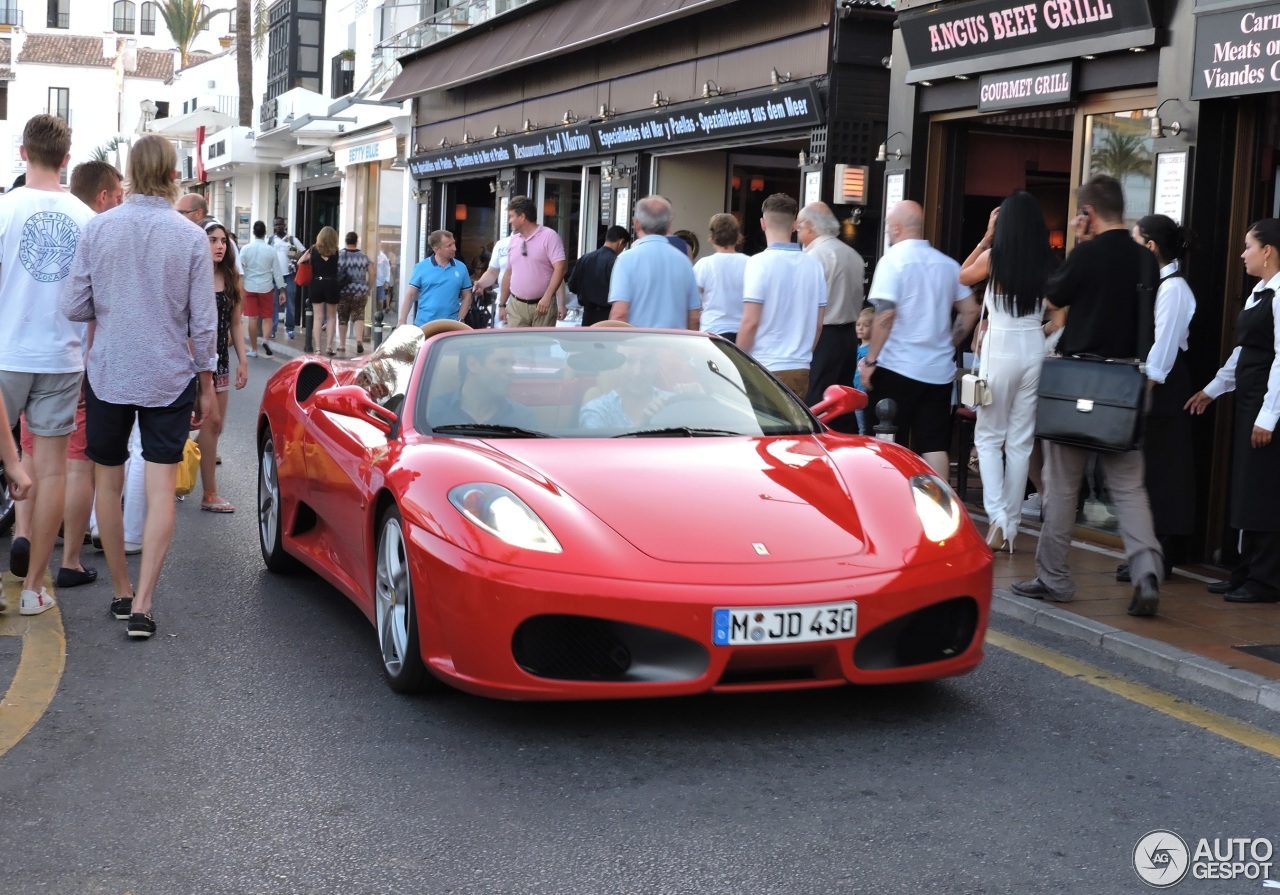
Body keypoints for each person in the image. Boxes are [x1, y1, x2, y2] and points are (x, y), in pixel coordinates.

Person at [61, 133, 217, 639]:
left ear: (129, 172)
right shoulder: (191, 237)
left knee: (107, 483)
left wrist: (113, 304)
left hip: (108, 372)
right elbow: (204, 321)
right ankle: (146, 604)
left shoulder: (99, 229)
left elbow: (74, 305)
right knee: (159, 489)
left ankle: (121, 592)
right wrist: (207, 383)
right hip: (169, 375)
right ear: (173, 174)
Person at [1011, 175, 1163, 617]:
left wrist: (1076, 246)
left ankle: (1054, 578)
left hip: (1078, 385)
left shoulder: (1087, 253)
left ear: (1089, 214)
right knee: (1130, 489)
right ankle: (1147, 571)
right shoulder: (1145, 260)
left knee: (1061, 487)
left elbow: (1054, 293)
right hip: (1125, 389)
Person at [0, 114, 95, 615]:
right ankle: (36, 586)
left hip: (7, 353)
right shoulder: (86, 218)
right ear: (66, 158)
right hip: (63, 355)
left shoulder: (4, 209)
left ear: (23, 153)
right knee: (54, 471)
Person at [1185, 218, 1280, 604]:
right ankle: (1245, 570)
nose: (1242, 254)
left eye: (1248, 246)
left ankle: (1267, 580)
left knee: (1264, 489)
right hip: (1247, 399)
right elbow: (1244, 351)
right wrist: (1212, 389)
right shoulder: (1259, 291)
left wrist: (1268, 416)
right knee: (1245, 486)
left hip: (1268, 402)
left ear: (1268, 251)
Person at [955, 191, 1056, 553]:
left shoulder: (994, 257)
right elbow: (1061, 314)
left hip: (1001, 348)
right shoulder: (1048, 263)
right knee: (1020, 441)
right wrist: (1038, 332)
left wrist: (985, 236)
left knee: (988, 437)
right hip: (1033, 348)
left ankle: (998, 517)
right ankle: (1011, 524)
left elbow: (962, 276)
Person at [860, 200, 979, 481]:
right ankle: (941, 504)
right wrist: (948, 343)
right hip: (937, 372)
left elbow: (885, 315)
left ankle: (889, 498)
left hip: (895, 367)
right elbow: (971, 311)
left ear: (897, 228)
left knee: (887, 440)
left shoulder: (892, 260)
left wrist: (870, 360)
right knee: (934, 444)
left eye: (889, 226)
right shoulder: (948, 265)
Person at [1119, 214, 1196, 581]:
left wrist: (1140, 394)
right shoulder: (1158, 284)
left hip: (1164, 389)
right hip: (1155, 387)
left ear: (1150, 246)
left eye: (1135, 241)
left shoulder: (1174, 289)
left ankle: (1159, 558)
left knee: (1164, 474)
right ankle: (1145, 555)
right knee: (1150, 473)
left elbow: (1163, 351)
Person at [738, 193, 827, 400]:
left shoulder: (757, 263)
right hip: (800, 367)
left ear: (762, 223)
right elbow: (818, 325)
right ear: (795, 224)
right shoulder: (814, 266)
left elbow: (750, 322)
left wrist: (737, 361)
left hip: (763, 366)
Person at [798, 201, 866, 418]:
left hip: (822, 334)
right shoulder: (853, 254)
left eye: (799, 227)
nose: (798, 232)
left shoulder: (813, 257)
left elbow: (804, 303)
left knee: (818, 400)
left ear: (809, 226)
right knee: (842, 399)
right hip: (848, 336)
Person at [197, 220, 247, 514]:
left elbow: (236, 323)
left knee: (215, 426)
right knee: (210, 421)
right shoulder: (193, 274)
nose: (219, 246)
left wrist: (243, 360)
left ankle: (201, 483)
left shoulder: (230, 278)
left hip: (221, 360)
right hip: (195, 362)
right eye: (212, 240)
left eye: (223, 241)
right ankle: (209, 493)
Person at [608, 195, 701, 329]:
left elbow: (619, 314)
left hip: (637, 345)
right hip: (675, 346)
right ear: (669, 224)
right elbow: (694, 317)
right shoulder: (684, 261)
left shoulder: (626, 260)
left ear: (636, 223)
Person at [427, 342, 538, 429]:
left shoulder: (523, 419)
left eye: (512, 364)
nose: (511, 371)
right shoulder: (432, 414)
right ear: (473, 364)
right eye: (501, 362)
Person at [499, 195, 566, 327]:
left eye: (512, 216)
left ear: (522, 217)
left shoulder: (549, 236)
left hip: (542, 307)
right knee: (517, 347)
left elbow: (561, 269)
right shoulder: (514, 240)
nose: (510, 221)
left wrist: (547, 297)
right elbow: (509, 272)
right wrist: (502, 304)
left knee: (541, 346)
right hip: (516, 306)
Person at [579, 347, 675, 429]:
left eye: (646, 361)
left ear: (656, 365)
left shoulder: (673, 402)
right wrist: (640, 426)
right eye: (630, 361)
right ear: (617, 365)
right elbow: (594, 449)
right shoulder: (598, 410)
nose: (638, 372)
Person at [693, 213, 747, 343]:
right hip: (742, 332)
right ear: (738, 237)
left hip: (712, 331)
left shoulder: (703, 264)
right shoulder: (750, 263)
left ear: (712, 238)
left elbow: (693, 303)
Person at [400, 230, 473, 327]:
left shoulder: (461, 268)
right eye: (449, 246)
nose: (454, 248)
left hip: (451, 325)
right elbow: (410, 295)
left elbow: (467, 296)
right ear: (437, 249)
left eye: (454, 244)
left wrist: (460, 319)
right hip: (424, 324)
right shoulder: (421, 267)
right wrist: (402, 320)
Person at [240, 220, 285, 357]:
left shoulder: (245, 249)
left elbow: (241, 269)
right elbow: (277, 272)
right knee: (267, 317)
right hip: (266, 287)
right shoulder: (271, 250)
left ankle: (254, 349)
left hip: (249, 286)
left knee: (253, 318)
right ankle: (265, 339)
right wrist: (282, 289)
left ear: (253, 232)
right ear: (265, 233)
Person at [568, 226, 628, 327]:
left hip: (587, 315)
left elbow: (572, 286)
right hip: (607, 315)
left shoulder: (584, 259)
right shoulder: (616, 263)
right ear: (621, 242)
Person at [300, 226, 342, 355]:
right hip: (332, 284)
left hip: (316, 283)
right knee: (331, 317)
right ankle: (329, 346)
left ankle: (318, 348)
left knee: (318, 318)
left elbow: (300, 262)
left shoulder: (313, 249)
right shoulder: (336, 251)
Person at [268, 217, 306, 340]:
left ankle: (290, 329)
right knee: (273, 303)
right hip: (274, 276)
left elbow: (305, 252)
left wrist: (297, 262)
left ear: (284, 225)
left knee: (290, 302)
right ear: (274, 226)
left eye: (280, 224)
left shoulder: (291, 239)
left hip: (289, 275)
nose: (278, 226)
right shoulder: (270, 240)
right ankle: (273, 330)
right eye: (276, 224)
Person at [337, 231, 372, 353]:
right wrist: (369, 287)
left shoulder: (339, 255)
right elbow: (373, 273)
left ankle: (342, 345)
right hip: (360, 290)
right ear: (356, 241)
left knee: (343, 317)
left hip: (343, 290)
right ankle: (359, 340)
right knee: (359, 315)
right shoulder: (364, 256)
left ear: (346, 241)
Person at [471, 236, 511, 328]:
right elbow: (492, 272)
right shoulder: (501, 244)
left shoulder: (541, 239)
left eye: (513, 220)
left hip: (531, 303)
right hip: (503, 304)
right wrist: (481, 284)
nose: (511, 221)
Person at [852, 306, 874, 434]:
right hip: (855, 392)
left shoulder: (872, 350)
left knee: (863, 428)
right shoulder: (856, 348)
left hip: (866, 393)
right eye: (858, 324)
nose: (860, 328)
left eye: (865, 325)